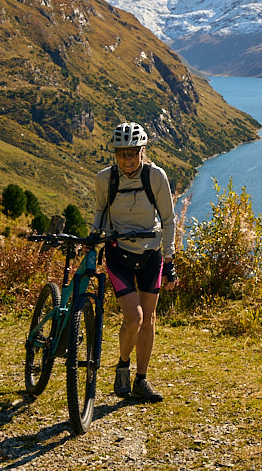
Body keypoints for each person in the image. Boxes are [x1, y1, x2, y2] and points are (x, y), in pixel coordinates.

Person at [92, 121, 177, 403]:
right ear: (115, 154)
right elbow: (100, 212)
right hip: (119, 254)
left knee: (149, 320)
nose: (127, 159)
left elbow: (167, 219)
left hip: (151, 254)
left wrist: (169, 257)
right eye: (121, 153)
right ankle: (123, 365)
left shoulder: (156, 177)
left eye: (132, 153)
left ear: (143, 151)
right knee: (134, 318)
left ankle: (141, 380)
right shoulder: (105, 179)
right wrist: (96, 237)